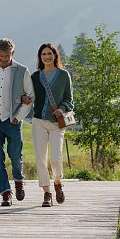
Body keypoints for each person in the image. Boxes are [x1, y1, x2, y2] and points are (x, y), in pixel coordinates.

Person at [0, 38, 34, 206]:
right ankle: (6, 192)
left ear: (12, 53)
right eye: (0, 55)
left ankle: (18, 181)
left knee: (16, 157)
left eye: (6, 55)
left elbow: (30, 97)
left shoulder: (22, 70)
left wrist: (19, 116)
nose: (3, 59)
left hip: (13, 122)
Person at [29, 42, 74, 207]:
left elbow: (69, 100)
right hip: (38, 121)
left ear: (55, 55)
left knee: (55, 158)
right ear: (40, 58)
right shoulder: (34, 77)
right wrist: (23, 99)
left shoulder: (63, 75)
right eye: (43, 55)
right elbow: (28, 96)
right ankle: (47, 193)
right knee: (40, 159)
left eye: (49, 54)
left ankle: (57, 182)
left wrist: (62, 109)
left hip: (56, 123)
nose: (47, 57)